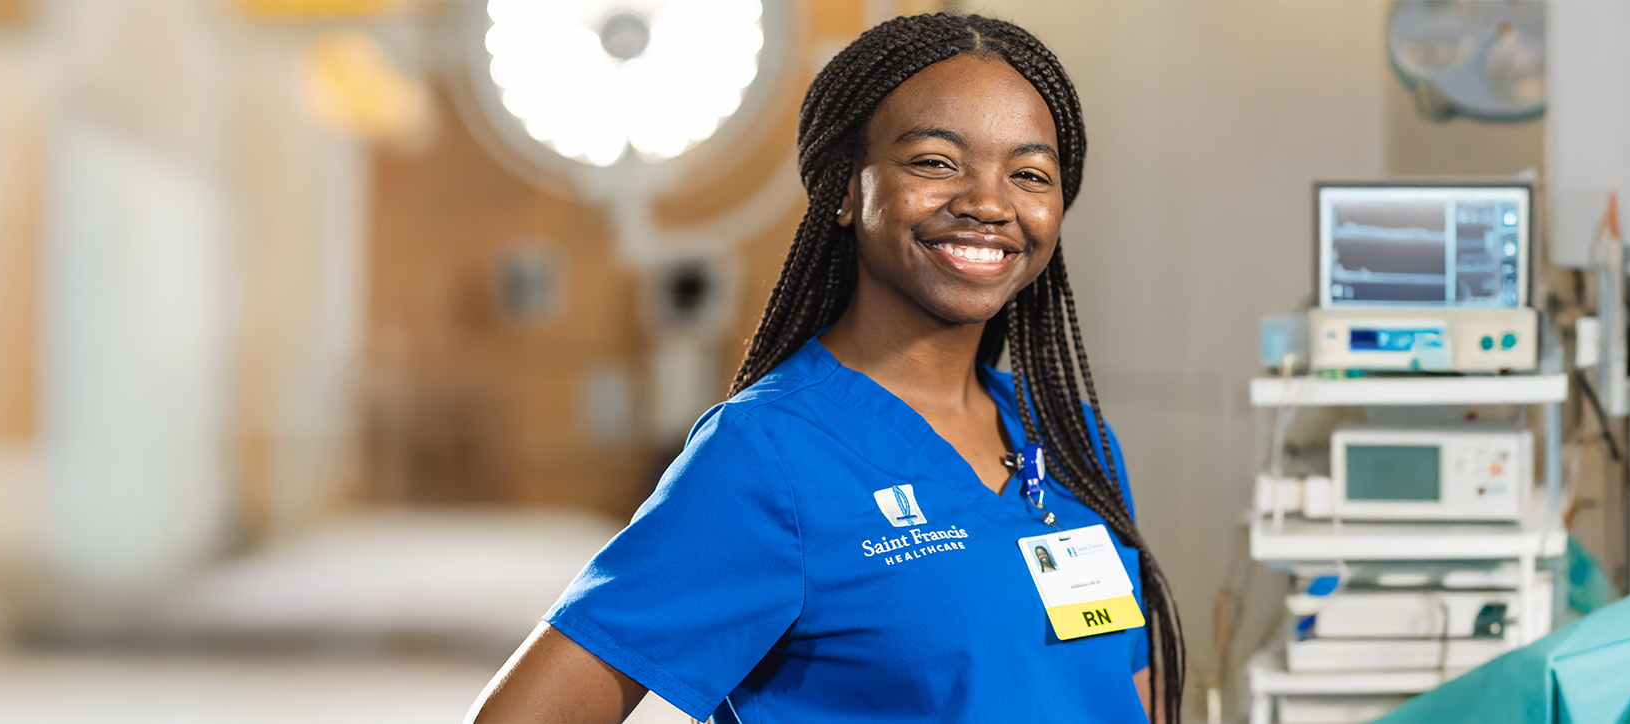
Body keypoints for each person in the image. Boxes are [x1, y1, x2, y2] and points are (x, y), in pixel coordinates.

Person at [468, 13, 1183, 724]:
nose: (989, 204)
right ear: (845, 187)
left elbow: (1125, 693)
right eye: (935, 162)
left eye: (1029, 174)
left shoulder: (1073, 441)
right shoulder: (768, 454)